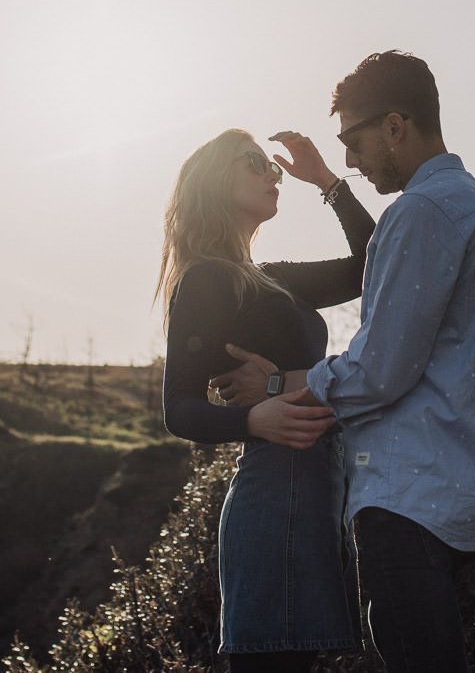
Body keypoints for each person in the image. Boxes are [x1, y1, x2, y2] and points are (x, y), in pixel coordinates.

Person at [212, 51, 475, 673]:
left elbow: (379, 369)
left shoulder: (420, 213)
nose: (352, 161)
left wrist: (275, 384)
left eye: (353, 142)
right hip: (468, 487)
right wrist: (328, 181)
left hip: (410, 491)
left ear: (395, 126)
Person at [158, 127, 373, 673]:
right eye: (254, 162)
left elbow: (377, 264)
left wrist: (328, 182)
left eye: (272, 166)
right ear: (213, 181)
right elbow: (179, 407)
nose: (272, 173)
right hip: (274, 495)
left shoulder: (271, 280)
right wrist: (254, 417)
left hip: (317, 495)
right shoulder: (206, 279)